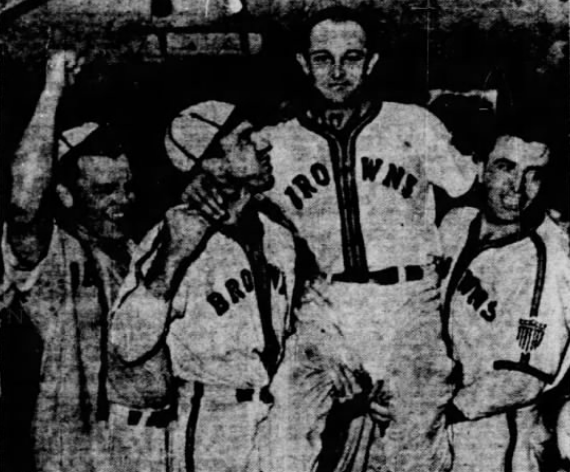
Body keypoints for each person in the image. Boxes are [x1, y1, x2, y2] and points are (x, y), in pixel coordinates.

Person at [184, 6, 477, 472]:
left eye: (352, 57)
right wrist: (197, 184)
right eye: (323, 59)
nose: (338, 72)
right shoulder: (276, 142)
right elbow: (225, 186)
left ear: (372, 62)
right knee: (284, 436)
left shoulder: (413, 124)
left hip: (409, 301)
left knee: (414, 444)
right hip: (325, 302)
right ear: (304, 63)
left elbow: (473, 190)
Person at [110, 101, 317, 472]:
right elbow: (127, 341)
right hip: (211, 419)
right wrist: (172, 258)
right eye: (245, 140)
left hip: (275, 414)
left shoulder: (278, 236)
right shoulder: (173, 238)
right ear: (212, 164)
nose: (265, 144)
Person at [0, 50, 169, 472]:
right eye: (106, 190)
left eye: (127, 187)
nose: (124, 202)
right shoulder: (55, 257)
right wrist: (52, 90)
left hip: (150, 442)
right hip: (80, 452)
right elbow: (24, 201)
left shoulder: (138, 251)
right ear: (66, 196)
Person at [439, 129, 570, 472]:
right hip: (436, 414)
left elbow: (522, 379)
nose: (517, 187)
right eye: (506, 167)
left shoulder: (548, 258)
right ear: (481, 168)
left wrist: (433, 411)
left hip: (493, 434)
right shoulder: (454, 224)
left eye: (533, 175)